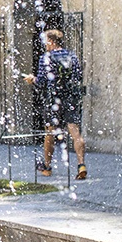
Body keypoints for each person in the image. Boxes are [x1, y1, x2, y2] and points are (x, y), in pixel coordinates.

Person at [23, 29, 87, 179]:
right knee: (75, 131)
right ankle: (81, 165)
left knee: (50, 132)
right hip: (70, 97)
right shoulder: (72, 55)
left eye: (46, 40)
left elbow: (42, 82)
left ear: (51, 41)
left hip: (53, 100)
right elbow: (78, 76)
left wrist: (32, 79)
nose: (44, 44)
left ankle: (47, 166)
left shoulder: (46, 57)